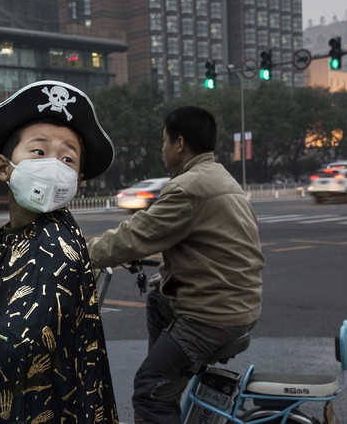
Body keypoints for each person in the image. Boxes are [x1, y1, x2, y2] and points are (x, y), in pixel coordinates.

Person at [0, 81, 119, 423]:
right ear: (4, 167)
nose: (54, 166)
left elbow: (10, 345)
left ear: (77, 181)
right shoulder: (13, 239)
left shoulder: (52, 244)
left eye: (67, 158)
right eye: (39, 151)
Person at [87, 106, 265, 424]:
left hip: (212, 316)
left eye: (164, 141)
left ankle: (162, 391)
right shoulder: (221, 177)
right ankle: (169, 379)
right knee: (157, 299)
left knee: (148, 388)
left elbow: (134, 236)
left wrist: (78, 253)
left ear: (179, 143)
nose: (162, 148)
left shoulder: (187, 188)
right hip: (238, 304)